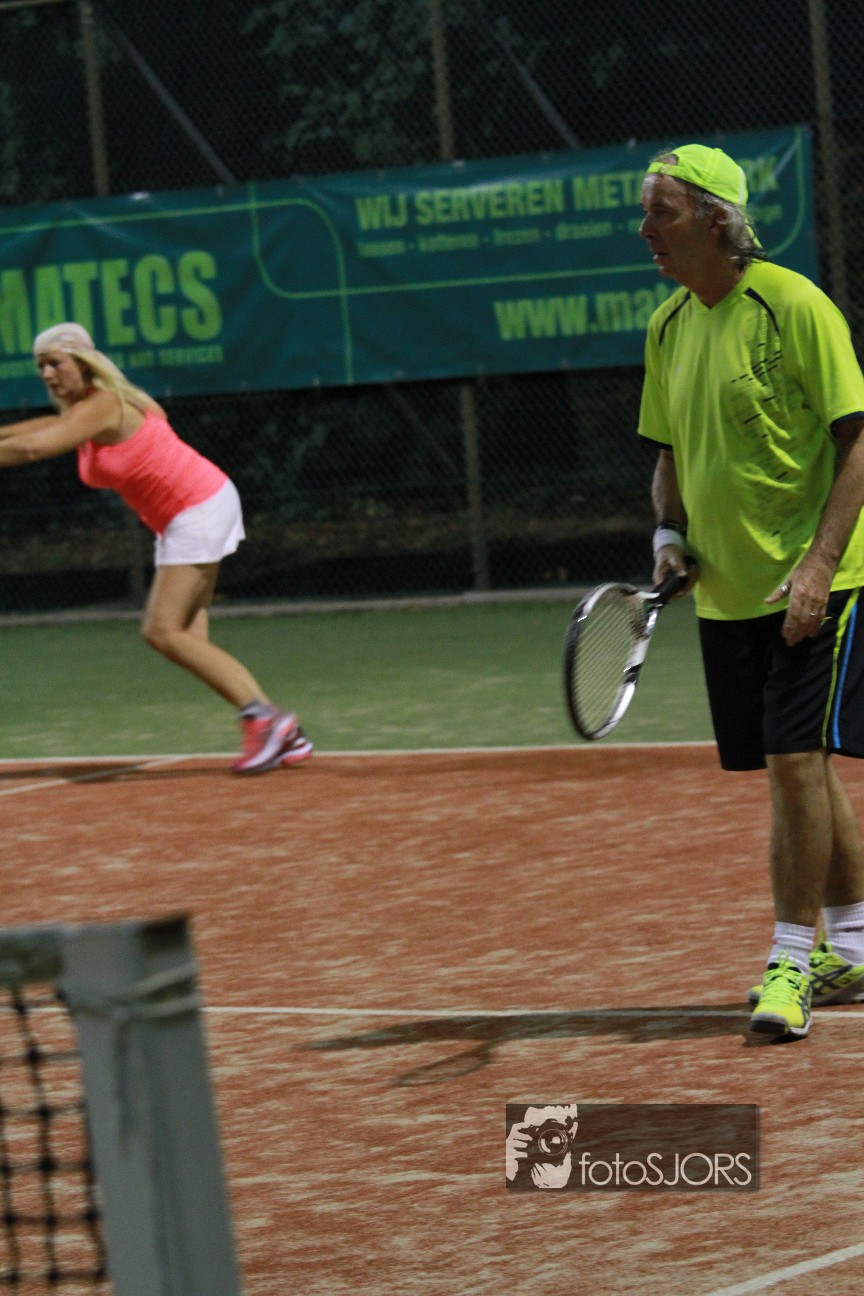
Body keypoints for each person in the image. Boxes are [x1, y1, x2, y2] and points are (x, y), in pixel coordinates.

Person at [637, 144, 864, 1041]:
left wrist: (818, 567)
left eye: (661, 212)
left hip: (816, 584)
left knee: (793, 761)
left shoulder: (794, 304)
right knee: (800, 765)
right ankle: (855, 946)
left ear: (715, 220)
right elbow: (669, 452)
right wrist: (669, 535)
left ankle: (790, 961)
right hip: (726, 593)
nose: (645, 229)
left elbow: (857, 440)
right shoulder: (667, 326)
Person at [0, 322, 312, 775]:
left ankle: (267, 720)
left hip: (197, 508)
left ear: (84, 362)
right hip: (191, 511)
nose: (47, 374)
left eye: (55, 363)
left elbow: (31, 448)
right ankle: (281, 730)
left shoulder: (106, 404)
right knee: (188, 640)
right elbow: (43, 427)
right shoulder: (87, 410)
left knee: (163, 631)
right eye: (40, 366)